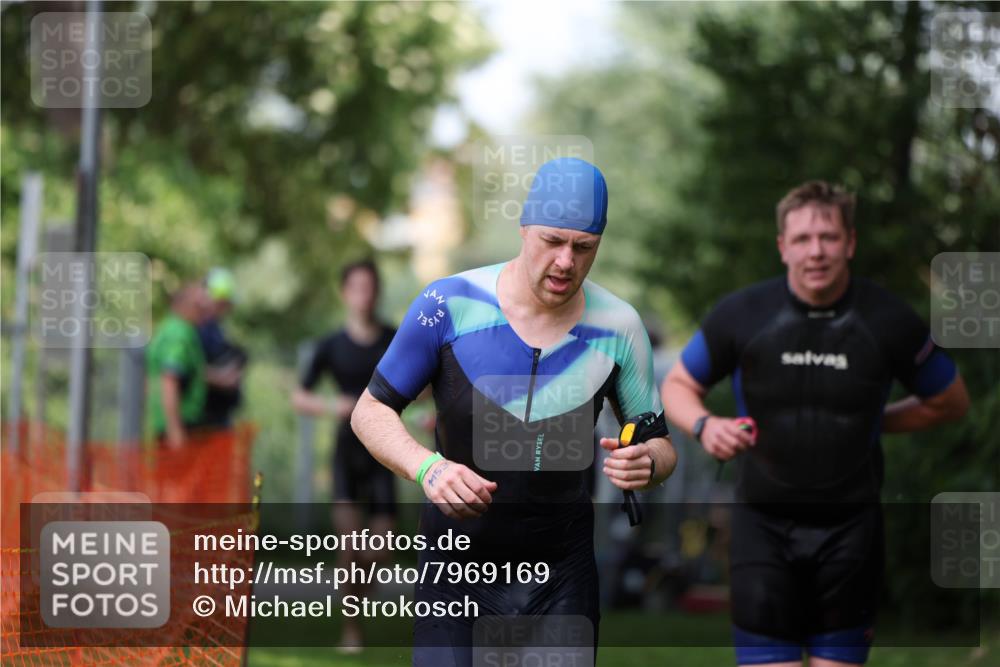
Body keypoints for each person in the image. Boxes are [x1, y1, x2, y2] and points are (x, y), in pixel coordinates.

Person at [351, 158, 677, 667]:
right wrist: (427, 468)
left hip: (560, 571)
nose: (566, 261)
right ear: (524, 229)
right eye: (552, 240)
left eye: (584, 247)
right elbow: (370, 411)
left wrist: (648, 463)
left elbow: (658, 444)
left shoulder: (619, 326)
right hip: (456, 569)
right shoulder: (448, 304)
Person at [661, 180, 970, 667]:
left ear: (850, 242)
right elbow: (677, 384)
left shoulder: (888, 319)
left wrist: (877, 421)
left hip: (851, 532)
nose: (816, 251)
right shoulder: (742, 314)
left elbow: (949, 401)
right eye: (802, 239)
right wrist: (704, 426)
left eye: (828, 237)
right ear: (783, 247)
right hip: (761, 528)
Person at [292, 259, 397, 652]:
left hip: (385, 448)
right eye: (356, 287)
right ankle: (351, 631)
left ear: (377, 292)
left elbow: (424, 383)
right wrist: (331, 405)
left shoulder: (394, 339)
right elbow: (300, 396)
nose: (363, 296)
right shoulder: (330, 345)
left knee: (381, 549)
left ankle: (357, 594)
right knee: (348, 547)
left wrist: (419, 405)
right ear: (345, 293)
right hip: (346, 452)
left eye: (370, 287)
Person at [146, 283, 210, 449]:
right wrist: (175, 432)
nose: (205, 311)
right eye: (200, 305)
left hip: (164, 425)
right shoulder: (179, 334)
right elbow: (169, 380)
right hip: (176, 428)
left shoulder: (171, 328)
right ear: (185, 305)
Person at [197, 268, 246, 428]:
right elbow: (187, 367)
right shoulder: (196, 328)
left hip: (218, 413)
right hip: (201, 415)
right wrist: (219, 378)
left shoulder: (216, 328)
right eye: (223, 304)